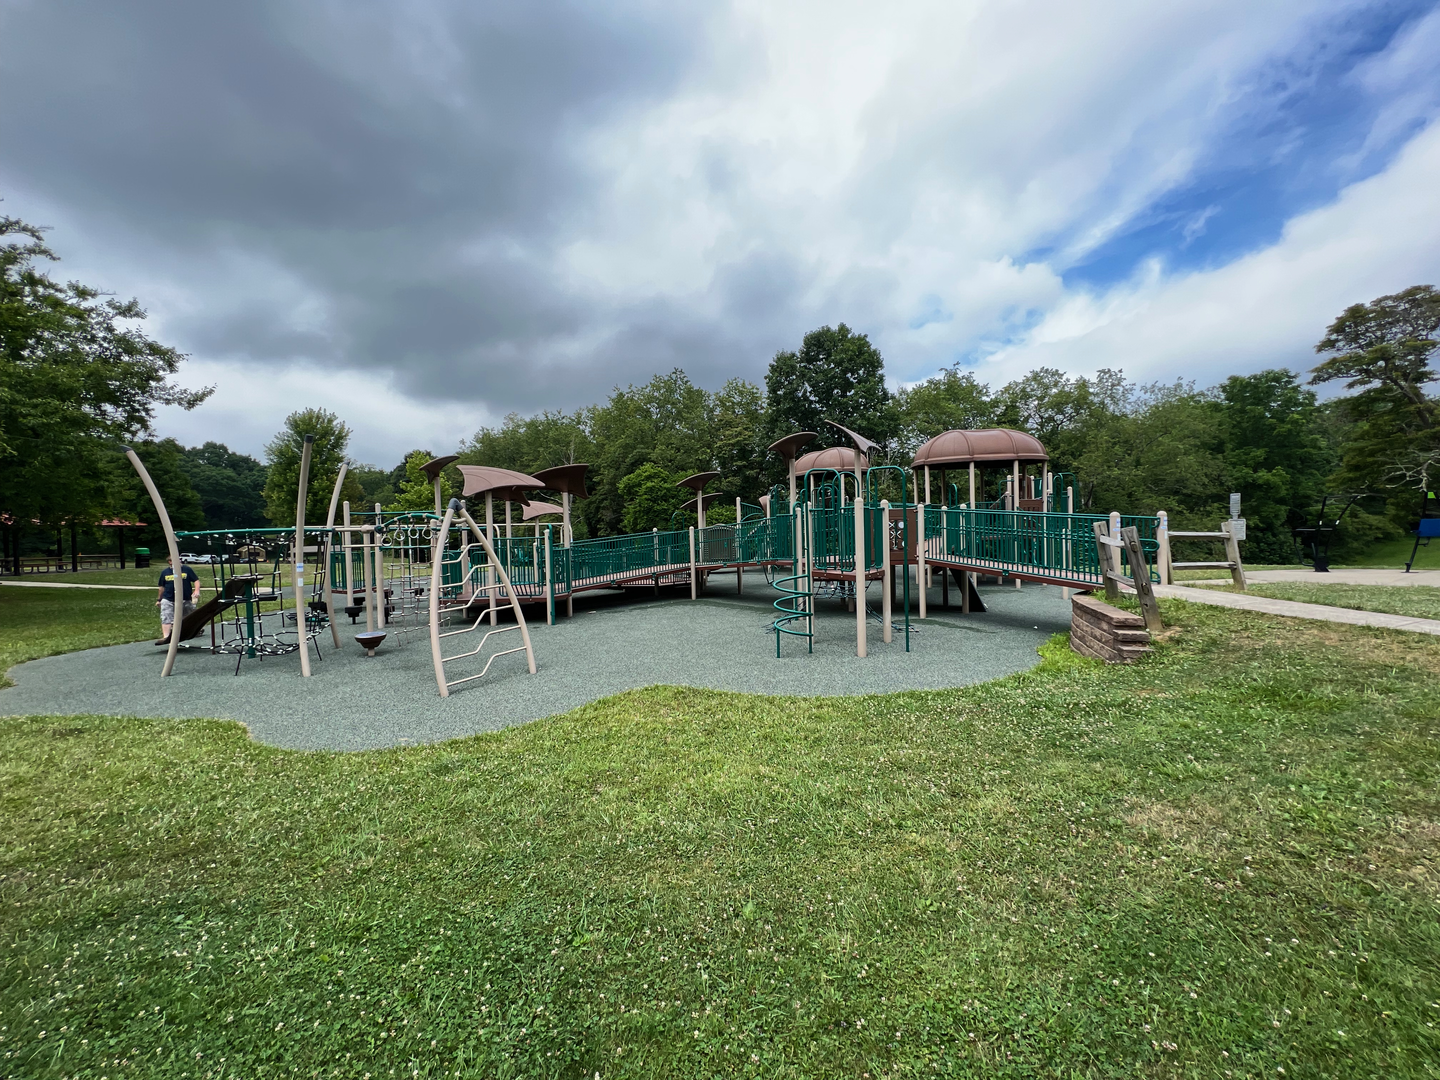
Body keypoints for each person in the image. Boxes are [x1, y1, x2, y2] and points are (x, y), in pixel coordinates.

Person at [156, 555, 200, 645]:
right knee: (166, 615)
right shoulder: (165, 572)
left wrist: (196, 590)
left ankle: (194, 630)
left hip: (185, 598)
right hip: (168, 598)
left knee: (189, 616)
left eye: (179, 560)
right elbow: (161, 587)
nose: (179, 561)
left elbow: (196, 580)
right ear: (170, 562)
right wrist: (159, 599)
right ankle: (166, 636)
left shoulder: (187, 569)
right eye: (177, 560)